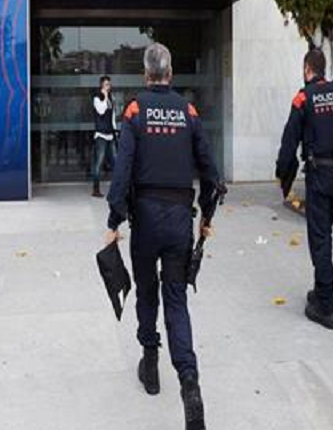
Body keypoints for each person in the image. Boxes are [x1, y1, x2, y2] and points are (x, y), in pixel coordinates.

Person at [104, 43, 219, 430]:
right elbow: (211, 173)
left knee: (146, 292)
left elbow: (122, 172)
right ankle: (190, 383)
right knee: (176, 300)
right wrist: (206, 215)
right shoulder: (189, 112)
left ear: (146, 74)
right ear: (170, 74)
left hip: (146, 220)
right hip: (179, 221)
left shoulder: (135, 110)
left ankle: (150, 364)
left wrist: (114, 220)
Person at [276, 49, 333, 330]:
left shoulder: (303, 98)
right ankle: (321, 290)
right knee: (324, 234)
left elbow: (289, 141)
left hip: (319, 177)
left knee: (320, 240)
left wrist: (282, 173)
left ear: (307, 68)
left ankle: (326, 305)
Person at [91, 76, 117, 198]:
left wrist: (115, 130)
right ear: (101, 85)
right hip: (101, 134)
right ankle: (95, 189)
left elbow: (112, 116)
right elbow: (101, 111)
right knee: (99, 163)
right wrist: (105, 97)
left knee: (116, 162)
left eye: (109, 84)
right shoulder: (97, 98)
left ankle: (118, 188)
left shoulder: (112, 97)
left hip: (110, 134)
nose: (108, 86)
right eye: (106, 84)